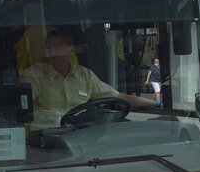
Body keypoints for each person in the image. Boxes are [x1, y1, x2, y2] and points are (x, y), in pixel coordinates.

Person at [20, 29, 158, 132]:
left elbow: (119, 97)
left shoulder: (84, 76)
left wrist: (156, 103)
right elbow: (20, 108)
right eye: (49, 49)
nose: (52, 54)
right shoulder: (35, 75)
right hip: (44, 140)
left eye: (57, 48)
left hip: (80, 135)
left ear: (71, 49)